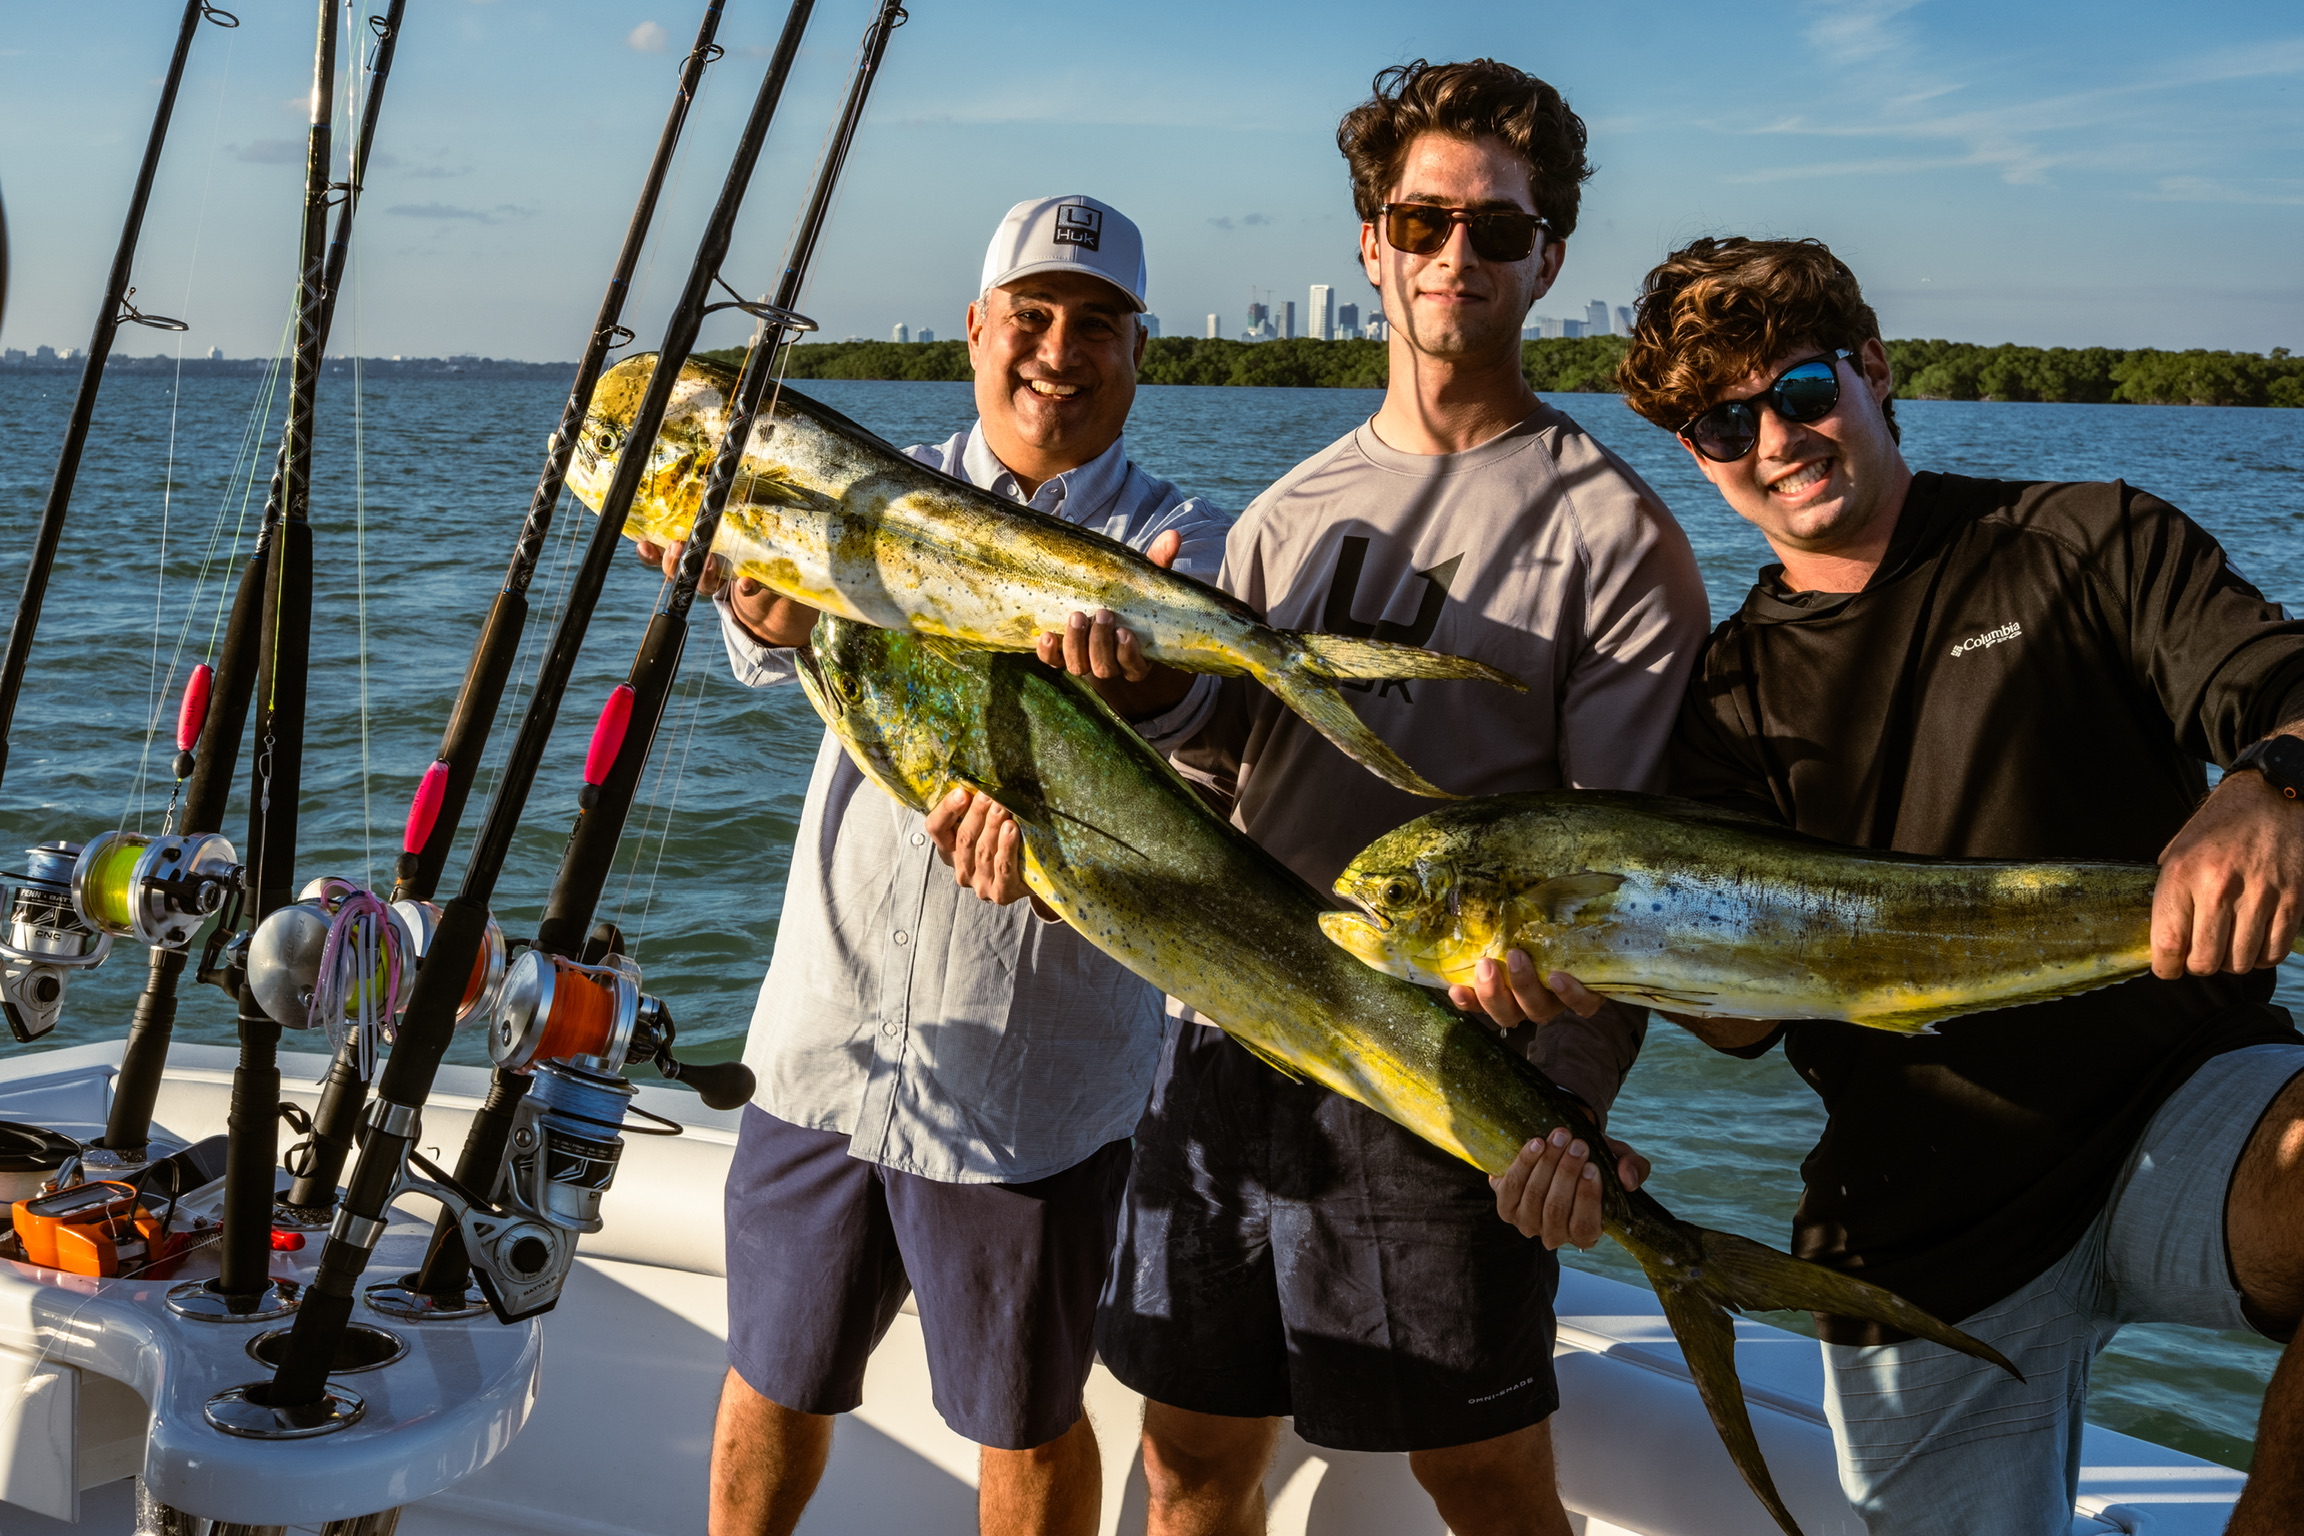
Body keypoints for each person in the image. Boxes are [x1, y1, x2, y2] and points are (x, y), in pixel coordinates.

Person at [955, 60, 1707, 1536]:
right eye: (1423, 223)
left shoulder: (1615, 531)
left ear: (1548, 258)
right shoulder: (1287, 511)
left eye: (1497, 232)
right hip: (1225, 1044)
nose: (1454, 260)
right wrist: (1141, 699)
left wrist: (1561, 1115)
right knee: (1188, 1461)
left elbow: (1621, 884)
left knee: (1482, 1478)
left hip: (1444, 1066)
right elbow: (1224, 773)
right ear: (1370, 241)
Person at [1483, 235, 2304, 1535]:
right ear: (1698, 456)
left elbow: (2287, 690)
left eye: (1802, 390)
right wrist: (1578, 1015)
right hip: (1923, 1214)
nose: (1776, 438)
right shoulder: (1726, 704)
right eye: (1725, 422)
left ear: (1870, 370)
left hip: (2188, 1104)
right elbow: (1743, 1019)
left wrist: (2272, 784)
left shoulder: (2092, 540)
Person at [653, 194, 1230, 1536]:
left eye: (1098, 325)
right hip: (825, 1045)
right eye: (1029, 316)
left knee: (1025, 1421)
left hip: (1035, 1080)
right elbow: (770, 624)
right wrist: (755, 593)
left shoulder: (1179, 541)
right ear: (976, 329)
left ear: (1141, 352)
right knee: (770, 1381)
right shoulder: (856, 486)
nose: (1058, 352)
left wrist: (1136, 695)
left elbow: (1205, 729)